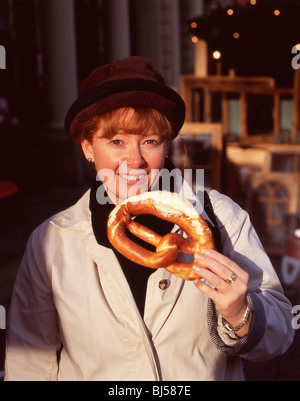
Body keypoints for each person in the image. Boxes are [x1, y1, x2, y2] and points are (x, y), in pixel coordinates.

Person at [5, 56, 294, 381]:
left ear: (166, 145)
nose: (135, 160)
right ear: (88, 146)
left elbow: (280, 336)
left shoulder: (220, 217)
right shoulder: (51, 242)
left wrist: (240, 313)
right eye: (116, 141)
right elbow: (28, 366)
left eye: (150, 141)